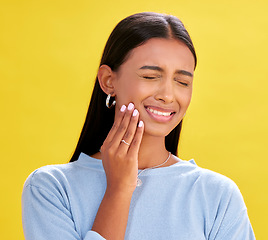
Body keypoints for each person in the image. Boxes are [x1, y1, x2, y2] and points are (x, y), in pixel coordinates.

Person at [22, 12, 255, 240]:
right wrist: (119, 189)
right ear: (108, 80)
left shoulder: (217, 195)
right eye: (150, 76)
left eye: (182, 82)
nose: (167, 95)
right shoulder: (50, 188)